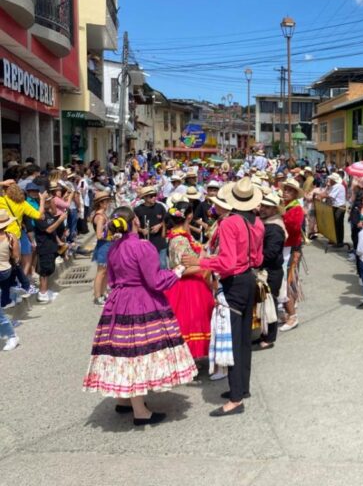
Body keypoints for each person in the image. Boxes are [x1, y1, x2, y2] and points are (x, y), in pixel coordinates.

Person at [82, 207, 198, 426]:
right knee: (138, 351)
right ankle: (140, 411)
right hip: (141, 301)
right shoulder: (142, 247)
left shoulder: (114, 247)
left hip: (118, 301)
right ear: (135, 220)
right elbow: (155, 281)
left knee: (122, 349)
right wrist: (179, 270)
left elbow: (113, 279)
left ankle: (123, 399)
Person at [182, 178, 264, 417]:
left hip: (235, 282)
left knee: (235, 340)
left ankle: (236, 398)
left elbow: (227, 263)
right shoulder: (257, 222)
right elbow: (258, 259)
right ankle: (242, 389)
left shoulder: (230, 223)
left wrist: (200, 262)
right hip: (249, 277)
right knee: (244, 339)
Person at [163, 202, 215, 361]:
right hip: (188, 285)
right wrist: (207, 263)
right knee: (190, 321)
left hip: (193, 282)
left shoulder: (182, 235)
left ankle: (188, 358)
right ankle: (186, 359)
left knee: (191, 321)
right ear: (190, 215)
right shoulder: (179, 239)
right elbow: (181, 269)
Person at [257, 193, 285, 349]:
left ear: (274, 209)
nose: (263, 209)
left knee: (270, 304)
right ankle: (265, 333)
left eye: (267, 207)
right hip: (268, 269)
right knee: (264, 304)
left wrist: (255, 259)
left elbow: (271, 253)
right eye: (263, 206)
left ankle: (270, 337)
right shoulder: (269, 223)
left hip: (271, 271)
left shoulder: (274, 228)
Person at [279, 179, 304, 332]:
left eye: (289, 190)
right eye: (285, 189)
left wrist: (281, 215)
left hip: (291, 247)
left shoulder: (296, 208)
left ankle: (292, 316)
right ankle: (287, 311)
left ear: (295, 194)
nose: (285, 192)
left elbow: (294, 228)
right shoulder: (286, 206)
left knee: (288, 281)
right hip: (284, 247)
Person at [34, 194, 68, 301]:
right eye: (48, 201)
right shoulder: (38, 216)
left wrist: (59, 242)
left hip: (51, 246)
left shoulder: (48, 213)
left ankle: (45, 290)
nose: (51, 202)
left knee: (49, 270)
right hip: (44, 247)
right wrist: (60, 220)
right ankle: (42, 293)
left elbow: (53, 230)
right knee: (44, 271)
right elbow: (49, 229)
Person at [134, 186, 168, 269]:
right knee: (148, 266)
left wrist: (159, 225)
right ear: (144, 197)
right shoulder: (137, 210)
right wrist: (141, 230)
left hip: (160, 241)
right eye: (151, 196)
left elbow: (166, 220)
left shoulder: (160, 207)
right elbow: (133, 226)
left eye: (155, 195)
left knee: (162, 265)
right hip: (145, 242)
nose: (154, 197)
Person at [0, 210, 20, 350]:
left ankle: (11, 335)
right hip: (6, 270)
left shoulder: (10, 237)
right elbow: (16, 257)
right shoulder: (11, 237)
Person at [90, 191, 113, 305]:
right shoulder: (100, 217)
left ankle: (103, 293)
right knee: (101, 272)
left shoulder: (102, 215)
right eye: (106, 201)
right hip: (104, 246)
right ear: (101, 203)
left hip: (107, 245)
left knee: (106, 272)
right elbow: (99, 235)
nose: (108, 203)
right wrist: (112, 235)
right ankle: (97, 296)